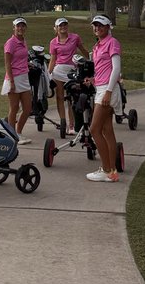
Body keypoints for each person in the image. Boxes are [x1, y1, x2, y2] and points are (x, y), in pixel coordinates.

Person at [87, 14, 122, 182]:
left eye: (100, 25)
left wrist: (108, 91)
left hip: (107, 90)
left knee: (94, 129)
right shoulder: (98, 45)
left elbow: (116, 69)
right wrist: (93, 80)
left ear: (108, 27)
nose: (97, 28)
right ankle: (112, 171)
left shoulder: (112, 42)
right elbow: (103, 69)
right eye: (95, 25)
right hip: (101, 87)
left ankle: (106, 169)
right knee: (107, 130)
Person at [48, 17, 88, 132]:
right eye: (60, 25)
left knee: (72, 98)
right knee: (60, 97)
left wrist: (90, 60)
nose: (63, 27)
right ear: (56, 28)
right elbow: (53, 59)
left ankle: (72, 125)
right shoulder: (53, 42)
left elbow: (82, 49)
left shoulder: (75, 37)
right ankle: (63, 123)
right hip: (58, 71)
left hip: (72, 71)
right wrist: (48, 73)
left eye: (65, 25)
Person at [1, 17, 32, 144]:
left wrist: (27, 65)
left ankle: (18, 132)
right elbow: (7, 63)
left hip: (24, 77)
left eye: (23, 26)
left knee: (27, 108)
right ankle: (12, 135)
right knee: (14, 107)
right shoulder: (10, 43)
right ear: (13, 27)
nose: (20, 28)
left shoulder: (23, 40)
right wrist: (12, 82)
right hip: (13, 78)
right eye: (18, 26)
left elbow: (21, 58)